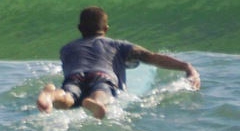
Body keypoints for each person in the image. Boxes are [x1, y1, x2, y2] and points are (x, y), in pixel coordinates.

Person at [36, 6, 200, 119]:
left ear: (79, 28)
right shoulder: (117, 45)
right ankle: (96, 102)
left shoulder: (67, 48)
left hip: (75, 75)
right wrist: (186, 66)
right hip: (102, 75)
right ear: (106, 28)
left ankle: (51, 95)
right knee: (102, 90)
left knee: (69, 95)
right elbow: (150, 56)